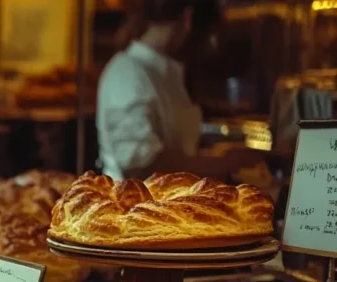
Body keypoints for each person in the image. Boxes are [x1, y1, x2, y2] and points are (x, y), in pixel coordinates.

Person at [96, 0, 259, 180]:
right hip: (135, 205)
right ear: (188, 18)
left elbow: (179, 149)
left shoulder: (166, 74)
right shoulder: (127, 73)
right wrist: (224, 162)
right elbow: (140, 165)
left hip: (173, 203)